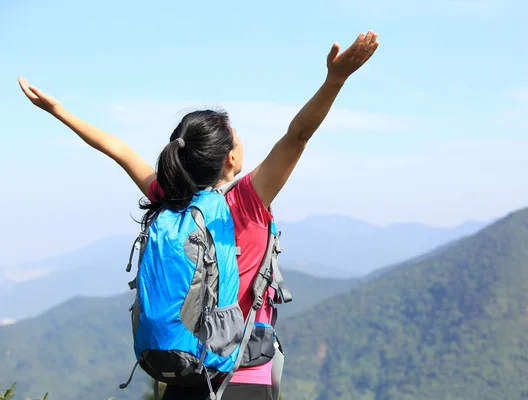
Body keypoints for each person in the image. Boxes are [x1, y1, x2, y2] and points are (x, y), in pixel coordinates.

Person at [18, 30, 379, 400]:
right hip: (241, 378)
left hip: (182, 374)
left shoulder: (170, 198)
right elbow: (298, 134)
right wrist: (335, 80)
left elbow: (118, 149)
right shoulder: (247, 201)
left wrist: (57, 111)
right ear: (231, 159)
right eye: (237, 137)